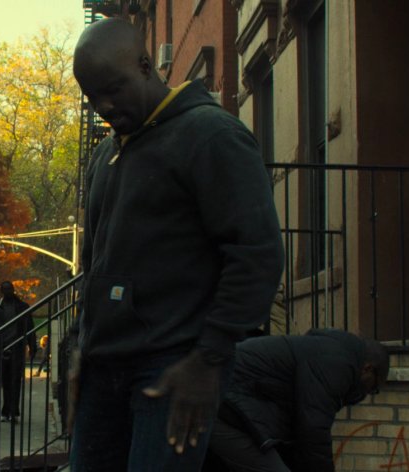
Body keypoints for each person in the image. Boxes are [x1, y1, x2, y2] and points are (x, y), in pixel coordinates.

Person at [69, 18, 285, 471]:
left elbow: (256, 255)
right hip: (102, 369)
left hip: (173, 369)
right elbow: (94, 264)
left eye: (113, 89)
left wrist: (209, 358)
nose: (103, 106)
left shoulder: (211, 136)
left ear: (146, 66)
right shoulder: (104, 157)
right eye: (92, 97)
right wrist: (79, 346)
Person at [207, 329, 390, 472]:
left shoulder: (330, 352)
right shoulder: (337, 365)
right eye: (373, 388)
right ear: (367, 369)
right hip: (221, 402)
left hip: (224, 398)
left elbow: (302, 430)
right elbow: (314, 431)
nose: (367, 393)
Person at [0, 281, 36, 422]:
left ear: (13, 290)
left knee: (15, 380)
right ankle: (6, 409)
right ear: (1, 291)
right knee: (5, 381)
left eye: (10, 289)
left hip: (17, 348)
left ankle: (13, 410)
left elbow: (30, 327)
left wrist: (32, 345)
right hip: (2, 349)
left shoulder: (22, 307)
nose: (8, 291)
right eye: (5, 289)